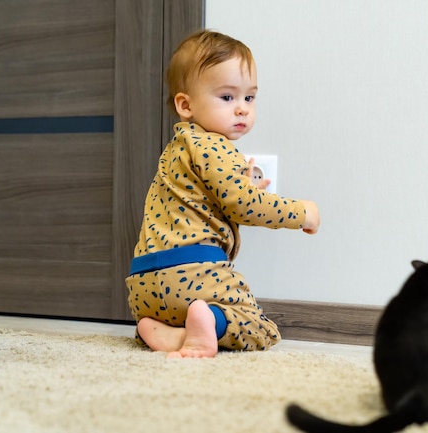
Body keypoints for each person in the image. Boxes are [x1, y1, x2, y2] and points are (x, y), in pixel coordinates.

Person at [125, 30, 320, 359]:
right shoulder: (216, 146)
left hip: (142, 282)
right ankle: (208, 325)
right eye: (228, 98)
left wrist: (242, 186)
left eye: (250, 97)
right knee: (260, 328)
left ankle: (162, 329)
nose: (242, 109)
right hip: (194, 275)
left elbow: (211, 200)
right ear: (185, 104)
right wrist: (302, 211)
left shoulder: (178, 149)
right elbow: (245, 207)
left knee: (169, 307)